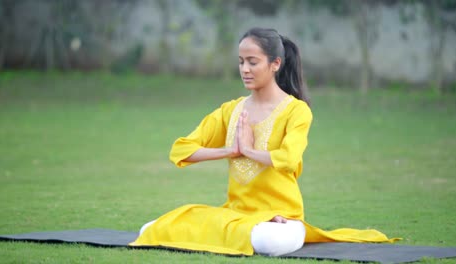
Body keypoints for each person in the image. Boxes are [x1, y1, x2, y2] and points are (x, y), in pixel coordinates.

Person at [130, 27, 397, 256]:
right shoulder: (230, 110)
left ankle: (281, 233)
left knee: (267, 240)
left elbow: (288, 158)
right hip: (236, 215)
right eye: (240, 61)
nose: (244, 69)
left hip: (280, 219)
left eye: (252, 62)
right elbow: (182, 150)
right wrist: (230, 150)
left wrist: (248, 150)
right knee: (151, 229)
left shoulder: (296, 111)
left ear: (275, 64)